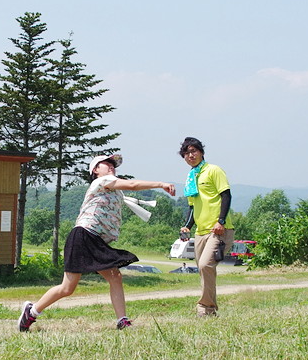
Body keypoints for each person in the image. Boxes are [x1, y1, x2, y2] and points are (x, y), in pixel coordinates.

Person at [18, 153, 175, 332]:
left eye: (112, 164)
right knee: (67, 288)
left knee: (115, 276)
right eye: (105, 163)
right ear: (95, 170)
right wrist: (161, 184)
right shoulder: (102, 182)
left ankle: (122, 321)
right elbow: (132, 184)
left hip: (97, 241)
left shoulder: (115, 189)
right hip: (83, 236)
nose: (111, 166)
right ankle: (32, 311)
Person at [178, 137, 235, 317]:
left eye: (193, 151)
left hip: (218, 230)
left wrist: (221, 221)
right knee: (205, 271)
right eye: (186, 153)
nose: (190, 155)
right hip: (200, 232)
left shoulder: (213, 170)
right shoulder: (191, 177)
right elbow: (193, 207)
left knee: (205, 266)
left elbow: (226, 196)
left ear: (201, 152)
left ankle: (204, 307)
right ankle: (210, 311)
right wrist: (187, 226)